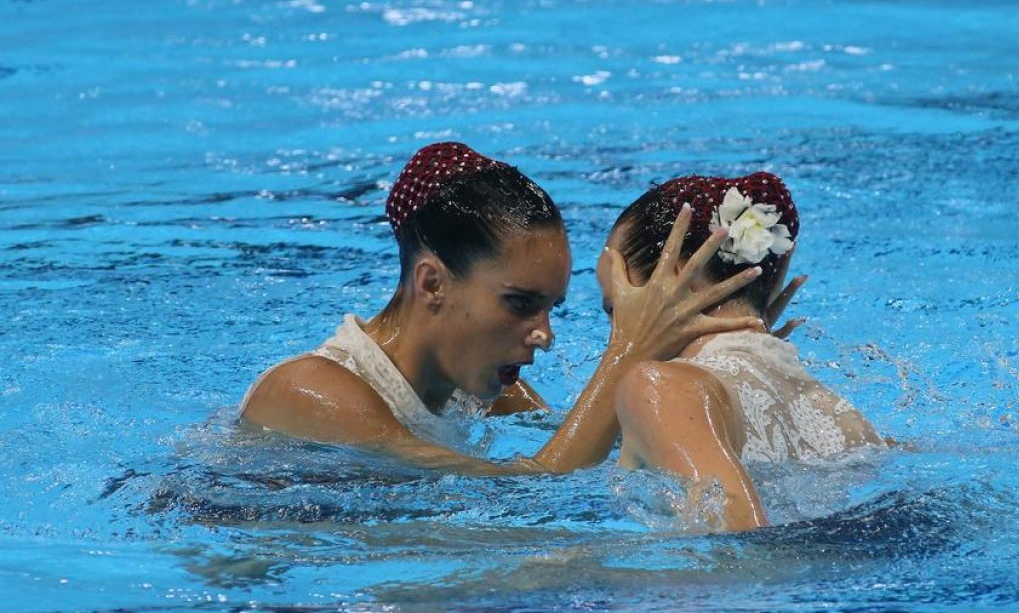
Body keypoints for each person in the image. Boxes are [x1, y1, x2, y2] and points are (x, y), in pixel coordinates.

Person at [239, 142, 766, 476]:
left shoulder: (486, 388)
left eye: (551, 309)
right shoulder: (312, 391)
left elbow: (593, 442)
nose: (544, 335)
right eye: (520, 304)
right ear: (432, 283)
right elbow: (527, 493)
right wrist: (629, 350)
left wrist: (726, 361)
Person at [597, 172, 884, 532]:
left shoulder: (661, 388)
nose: (614, 338)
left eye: (614, 309)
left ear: (676, 277)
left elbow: (741, 552)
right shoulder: (848, 420)